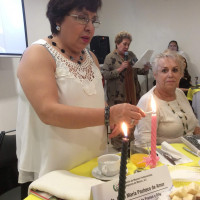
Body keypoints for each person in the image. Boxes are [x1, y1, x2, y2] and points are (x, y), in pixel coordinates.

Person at [16, 0, 145, 197]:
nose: (90, 28)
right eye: (82, 18)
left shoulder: (90, 57)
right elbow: (48, 112)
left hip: (92, 162)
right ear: (58, 18)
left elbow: (91, 98)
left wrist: (113, 120)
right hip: (54, 169)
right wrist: (110, 114)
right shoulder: (38, 54)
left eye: (93, 20)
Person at [134, 50, 200, 145]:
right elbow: (144, 144)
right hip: (164, 157)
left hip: (192, 152)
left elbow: (194, 125)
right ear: (155, 74)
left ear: (181, 74)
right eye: (164, 70)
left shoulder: (180, 93)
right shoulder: (148, 101)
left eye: (175, 70)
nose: (170, 75)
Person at [101, 31, 150, 150]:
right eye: (124, 44)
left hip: (132, 94)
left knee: (131, 120)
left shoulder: (131, 55)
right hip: (117, 97)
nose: (127, 47)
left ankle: (129, 144)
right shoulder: (110, 57)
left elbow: (138, 71)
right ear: (117, 44)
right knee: (118, 122)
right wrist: (120, 68)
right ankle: (118, 148)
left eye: (128, 44)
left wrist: (145, 68)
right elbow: (105, 74)